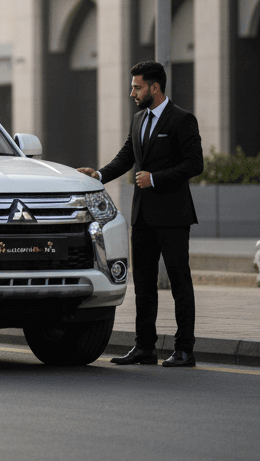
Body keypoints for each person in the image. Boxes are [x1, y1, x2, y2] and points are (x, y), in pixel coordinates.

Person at [78, 60, 204, 367]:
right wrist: (97, 175)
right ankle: (145, 347)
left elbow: (194, 164)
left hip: (174, 216)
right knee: (143, 284)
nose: (132, 92)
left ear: (155, 87)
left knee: (179, 282)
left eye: (137, 86)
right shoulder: (138, 120)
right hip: (142, 216)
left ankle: (184, 349)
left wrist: (155, 178)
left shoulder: (182, 120)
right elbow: (125, 158)